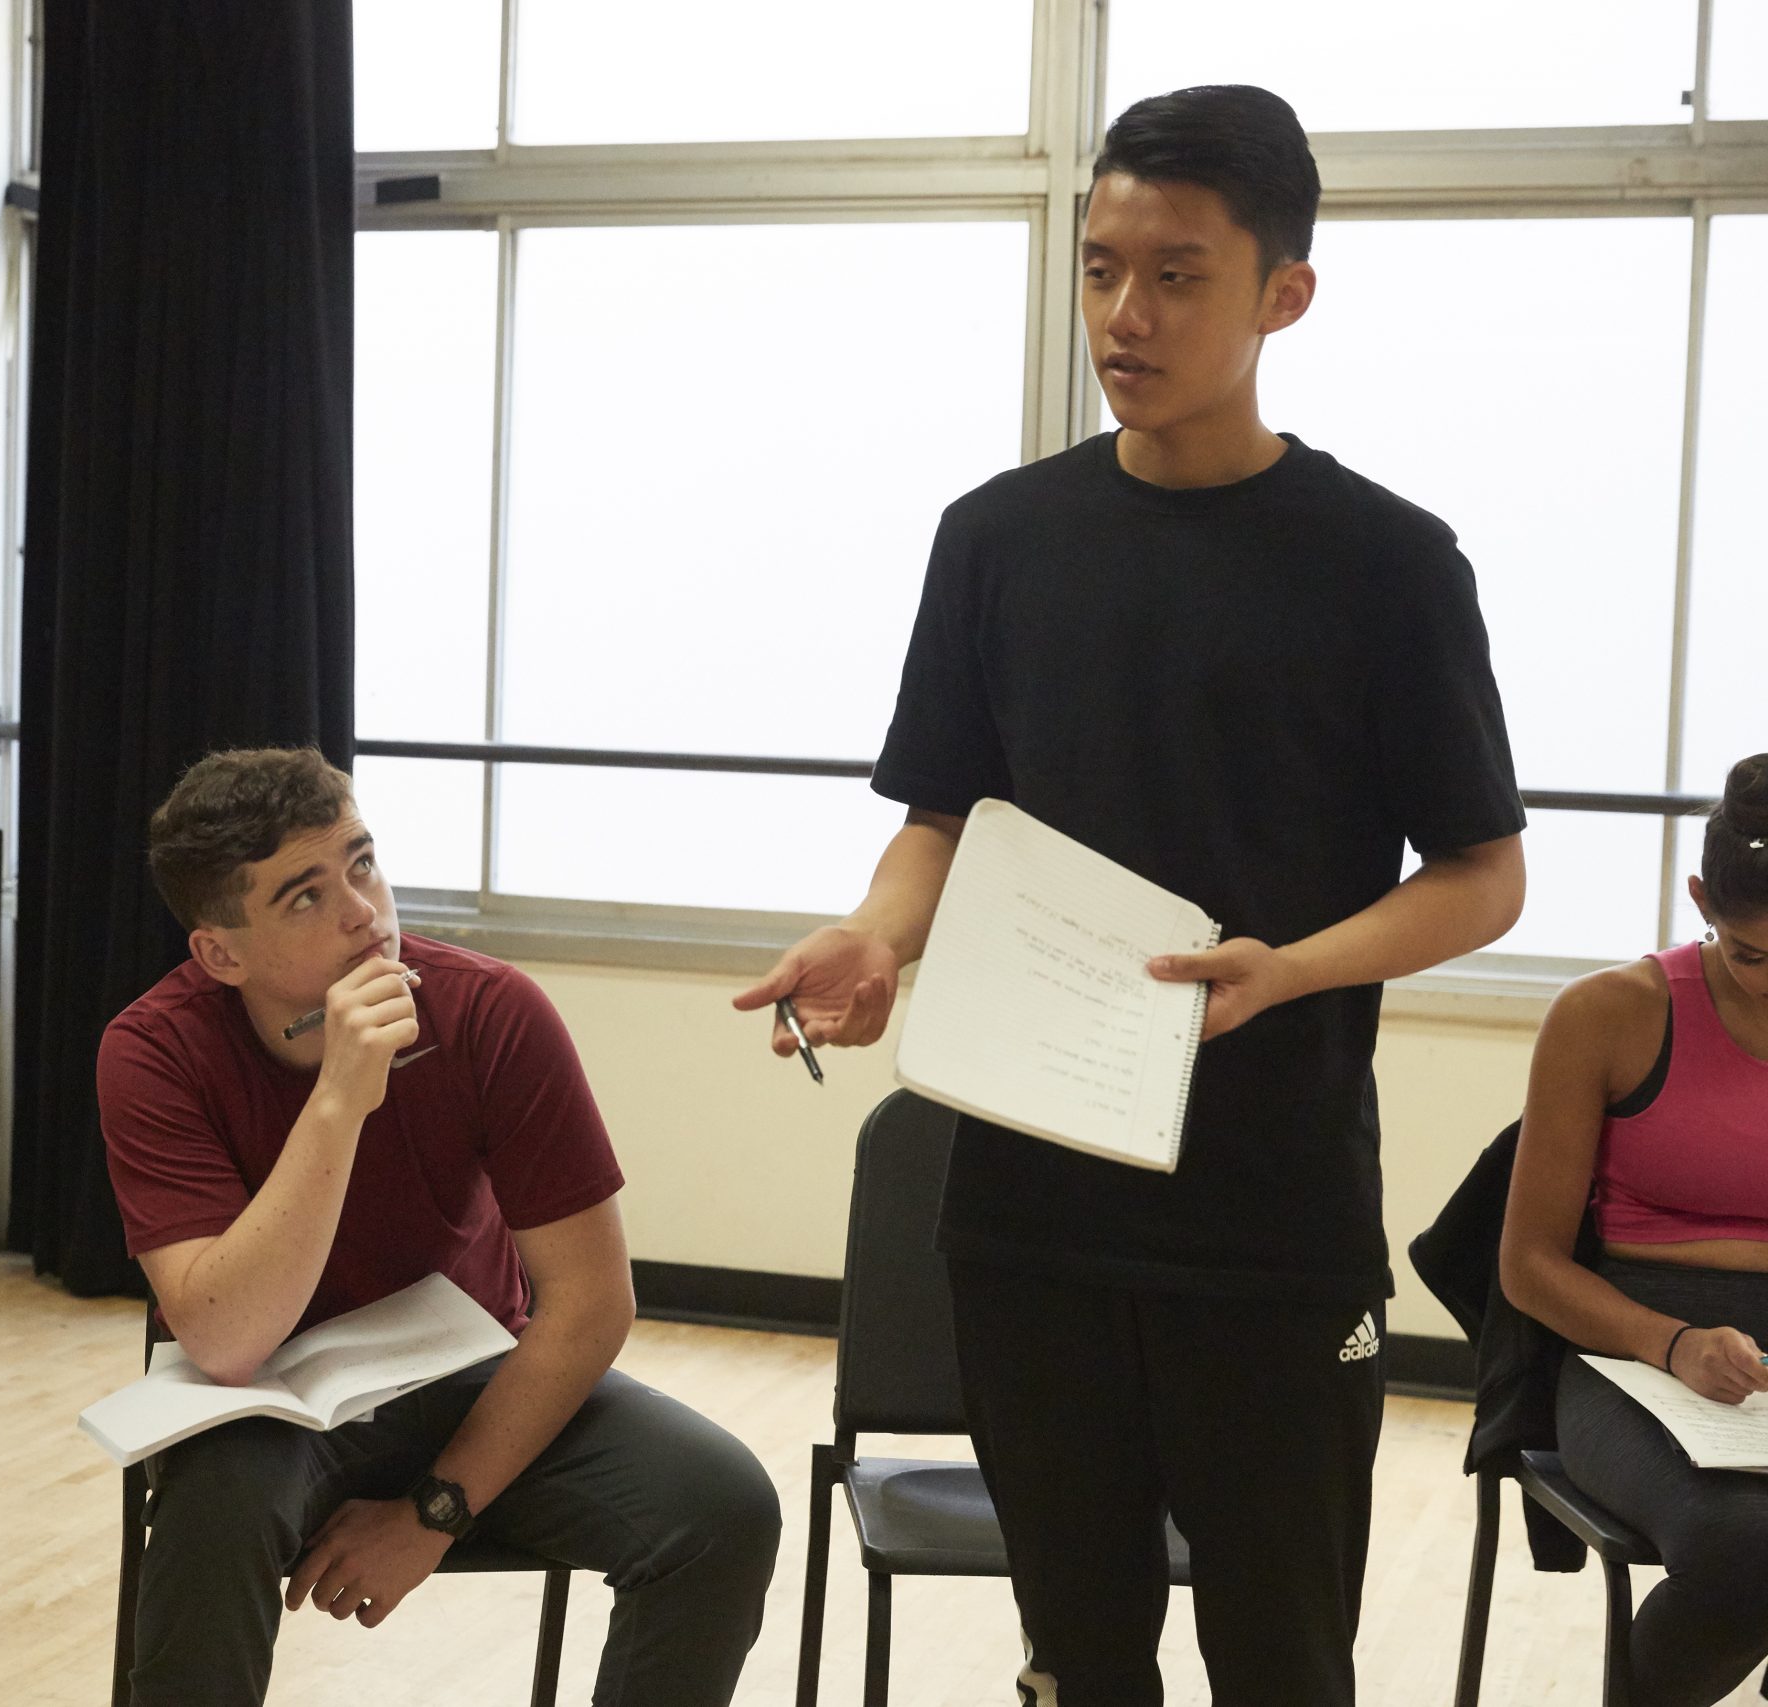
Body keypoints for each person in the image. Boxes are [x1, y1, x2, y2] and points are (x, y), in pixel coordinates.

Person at [736, 84, 1528, 1705]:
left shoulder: (1390, 564)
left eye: (1176, 273)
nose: (1124, 313)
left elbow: (1483, 875)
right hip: (1029, 1210)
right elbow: (944, 817)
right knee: (1081, 1656)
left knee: (1281, 1661)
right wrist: (881, 936)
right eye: (1100, 268)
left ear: (1282, 294)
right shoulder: (1000, 541)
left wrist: (1291, 970)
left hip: (1272, 1215)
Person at [97, 747, 780, 1707]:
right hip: (268, 1397)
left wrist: (432, 1514)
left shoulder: (492, 1011)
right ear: (221, 954)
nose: (363, 914)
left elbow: (590, 1302)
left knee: (722, 1505)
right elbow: (225, 1337)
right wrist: (337, 1099)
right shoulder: (152, 1050)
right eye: (304, 896)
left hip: (469, 1372)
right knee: (215, 1509)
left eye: (363, 863)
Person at [1502, 756, 1768, 1706]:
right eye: (1751, 953)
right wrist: (1677, 1344)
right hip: (1635, 1351)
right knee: (1749, 1548)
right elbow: (1528, 1264)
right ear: (1700, 898)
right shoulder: (1610, 1014)